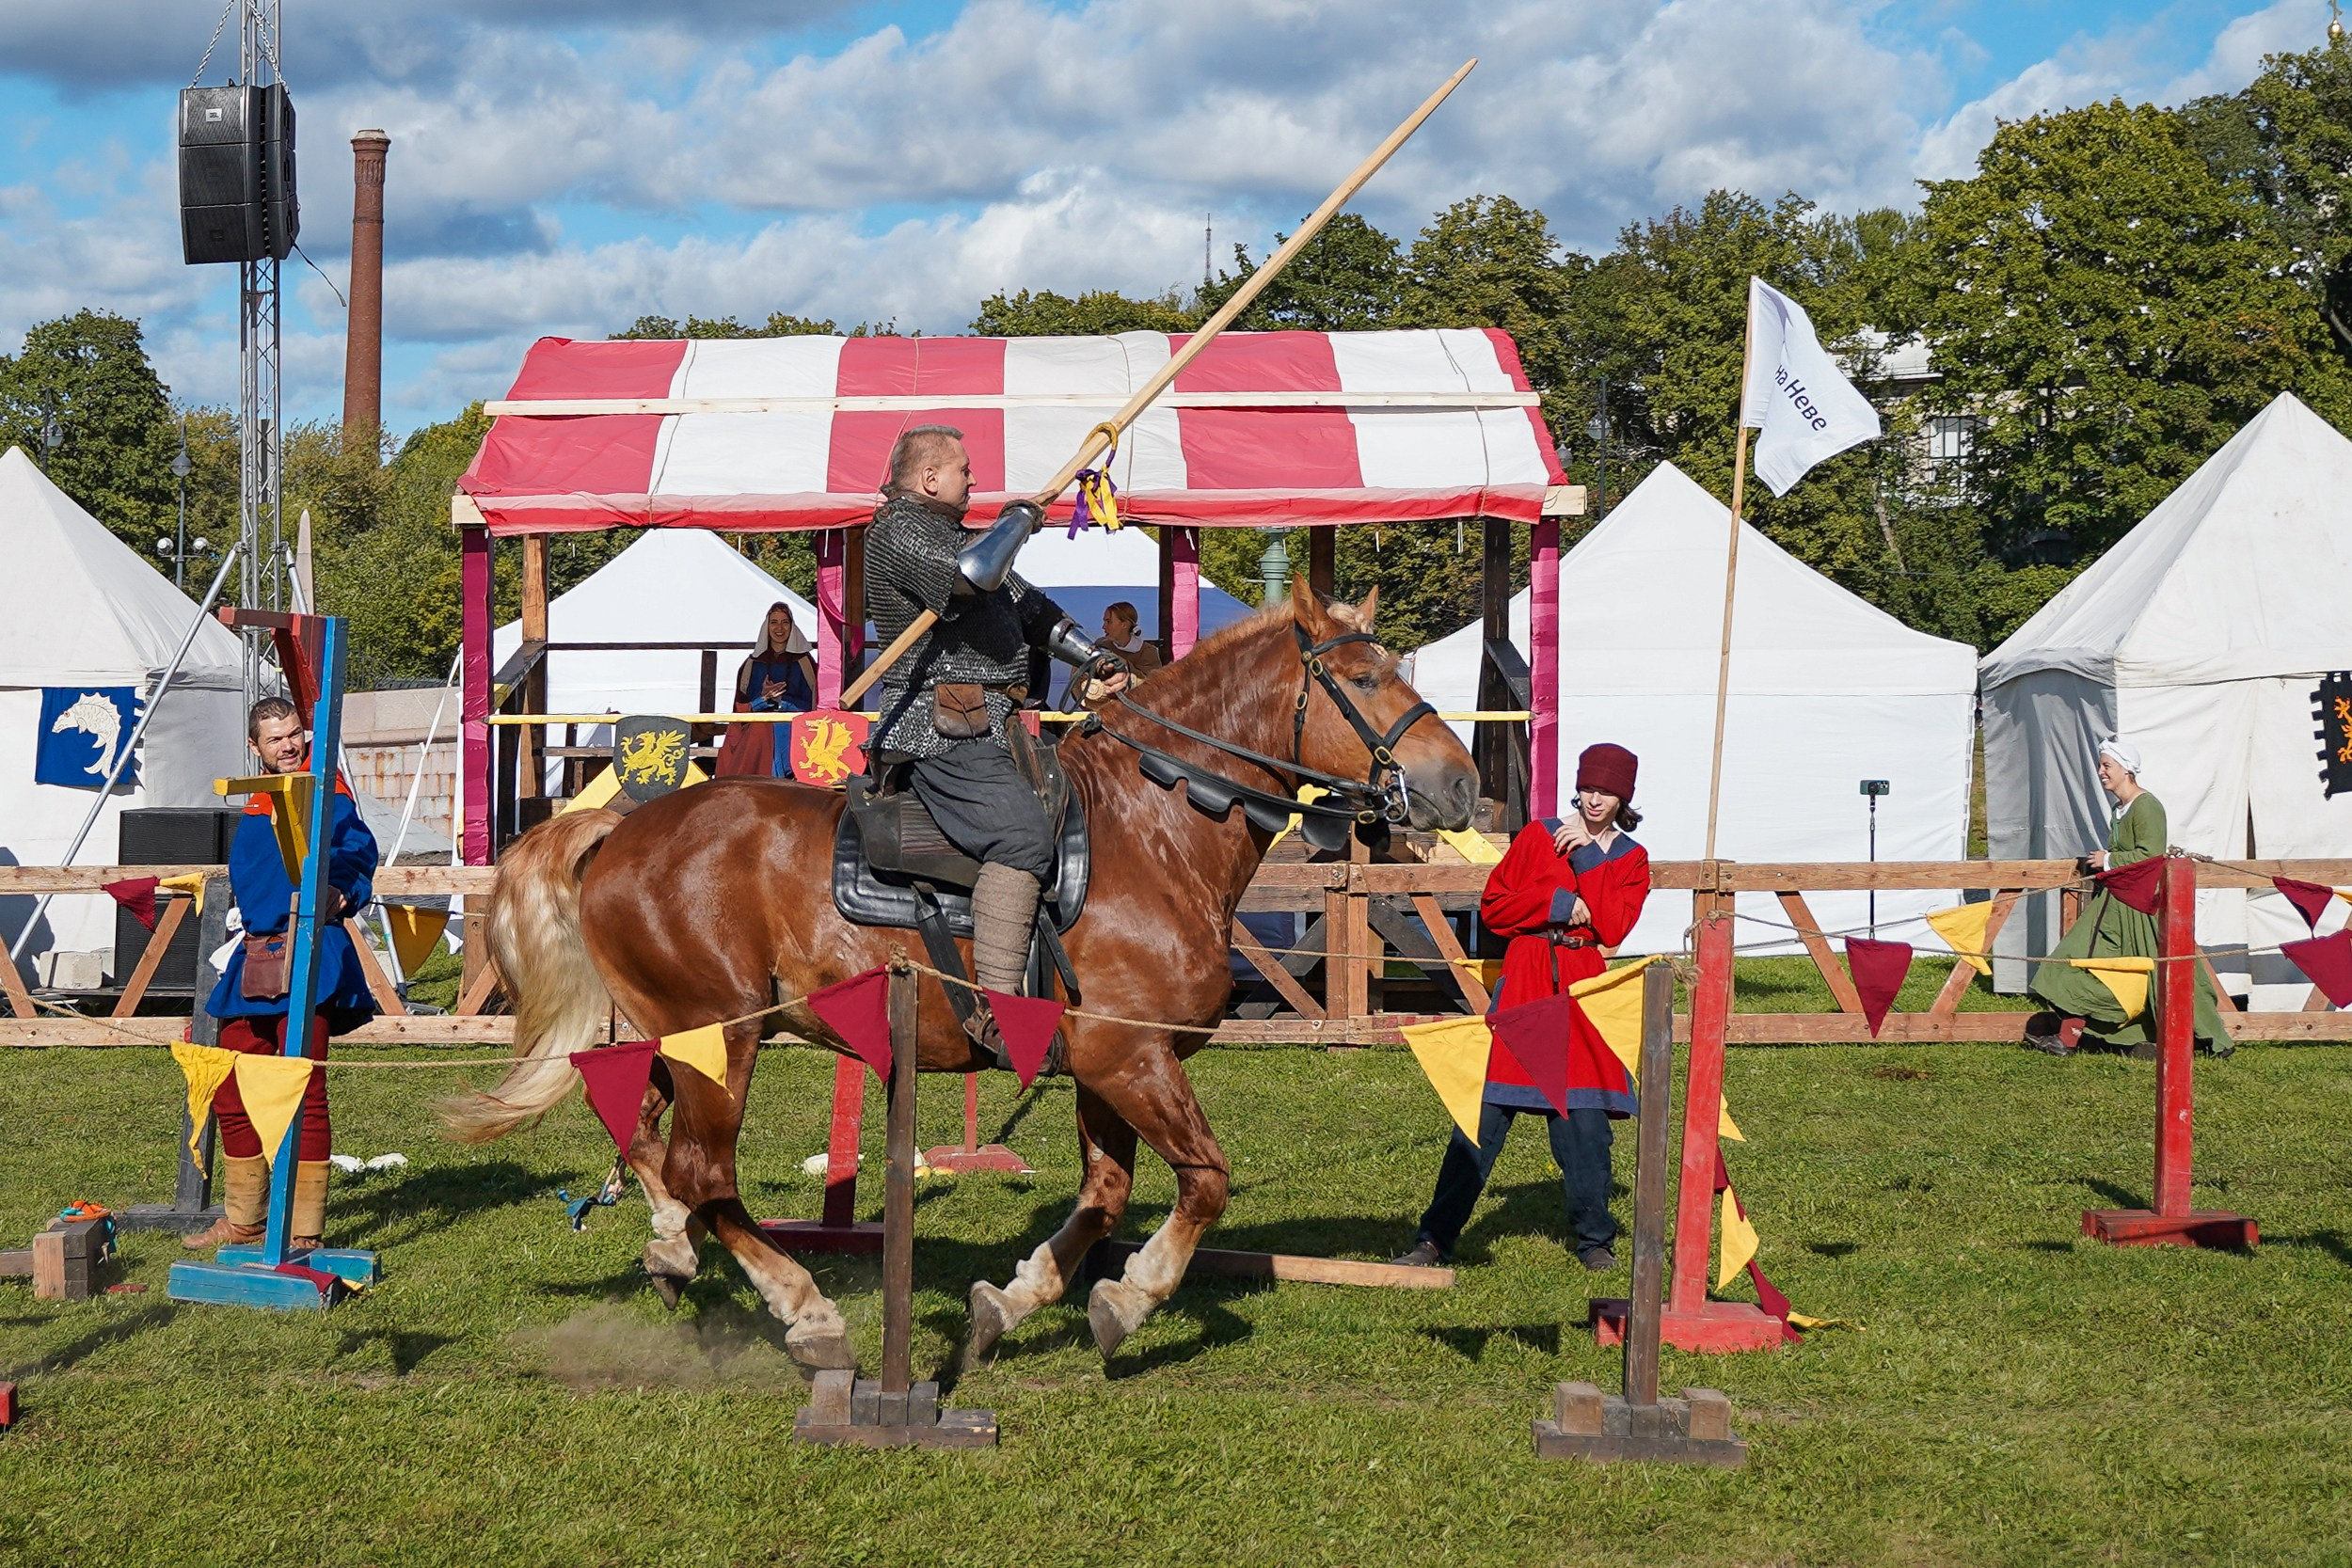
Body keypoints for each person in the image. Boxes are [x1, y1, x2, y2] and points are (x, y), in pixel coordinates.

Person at [862, 424, 1131, 1063]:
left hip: (995, 724)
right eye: (963, 469)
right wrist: (1017, 520)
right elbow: (970, 576)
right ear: (929, 479)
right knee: (1021, 837)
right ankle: (999, 1009)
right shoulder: (897, 531)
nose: (973, 479)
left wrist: (1090, 655)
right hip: (937, 727)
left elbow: (1027, 607)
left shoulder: (959, 537)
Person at [1395, 743, 1652, 1273]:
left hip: (1583, 994)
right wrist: (1556, 903)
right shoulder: (1538, 837)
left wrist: (1586, 855)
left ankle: (1595, 1240)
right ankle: (1434, 1240)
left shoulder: (1630, 859)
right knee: (1481, 1118)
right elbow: (1495, 906)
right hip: (1528, 984)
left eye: (1607, 791)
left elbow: (1612, 925)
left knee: (1584, 1124)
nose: (1595, 799)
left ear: (1623, 796)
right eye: (1588, 788)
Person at [183, 695, 381, 1252]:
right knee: (228, 1080)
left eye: (294, 734)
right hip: (256, 955)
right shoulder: (255, 803)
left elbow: (355, 853)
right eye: (275, 739)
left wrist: (341, 891)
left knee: (303, 1089)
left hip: (311, 951)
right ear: (256, 748)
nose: (288, 745)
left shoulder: (329, 793)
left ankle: (303, 1229)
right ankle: (245, 1218)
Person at [2025, 737, 2230, 1056]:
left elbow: (2151, 855)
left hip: (2139, 907)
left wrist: (2107, 860)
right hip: (2113, 906)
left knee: (2158, 975)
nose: (2101, 772)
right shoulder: (2119, 810)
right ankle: (2070, 1038)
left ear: (2127, 770)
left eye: (2107, 766)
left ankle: (2204, 1039)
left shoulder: (2147, 806)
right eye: (2101, 765)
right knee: (2077, 964)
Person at [715, 602, 819, 779]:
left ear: (792, 626)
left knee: (774, 729)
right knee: (760, 730)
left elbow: (814, 706)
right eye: (774, 622)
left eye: (785, 622)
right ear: (767, 626)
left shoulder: (805, 663)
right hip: (756, 729)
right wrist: (762, 700)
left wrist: (782, 703)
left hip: (792, 728)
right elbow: (740, 710)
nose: (779, 628)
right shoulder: (752, 664)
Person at [1102, 602, 1165, 679]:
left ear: (1124, 625)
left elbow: (1152, 683)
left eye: (1109, 622)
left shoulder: (1147, 653)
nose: (1104, 627)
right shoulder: (1102, 646)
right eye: (1104, 621)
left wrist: (1123, 664)